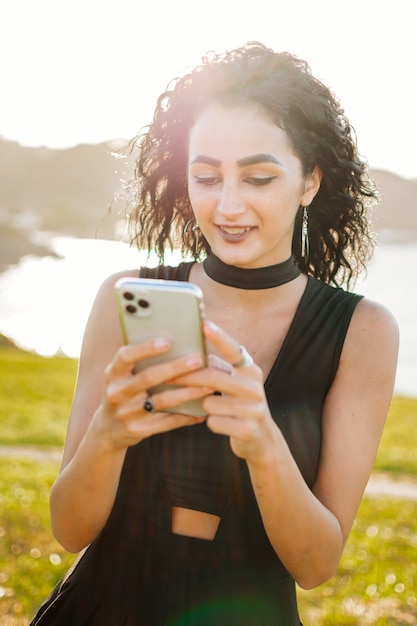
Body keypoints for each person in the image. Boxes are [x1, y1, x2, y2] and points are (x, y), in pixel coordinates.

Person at [30, 42, 398, 625]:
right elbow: (69, 530)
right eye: (206, 176)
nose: (228, 206)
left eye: (257, 177)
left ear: (309, 182)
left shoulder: (363, 331)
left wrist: (263, 443)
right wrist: (108, 435)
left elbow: (316, 563)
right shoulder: (123, 298)